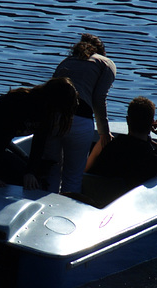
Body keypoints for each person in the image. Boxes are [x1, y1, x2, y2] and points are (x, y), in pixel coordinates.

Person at [0, 77, 78, 190]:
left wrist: (31, 172)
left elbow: (38, 143)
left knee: (33, 172)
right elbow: (0, 138)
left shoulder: (47, 113)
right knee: (23, 180)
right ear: (55, 101)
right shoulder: (19, 103)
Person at [45, 33, 116, 193]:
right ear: (102, 51)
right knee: (73, 176)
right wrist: (104, 132)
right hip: (80, 118)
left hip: (52, 118)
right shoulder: (106, 63)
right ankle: (66, 211)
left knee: (51, 172)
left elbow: (47, 92)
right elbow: (99, 98)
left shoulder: (66, 62)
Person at [86, 96, 157, 188]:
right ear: (152, 123)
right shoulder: (155, 161)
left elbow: (86, 172)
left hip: (98, 198)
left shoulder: (106, 146)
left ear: (128, 120)